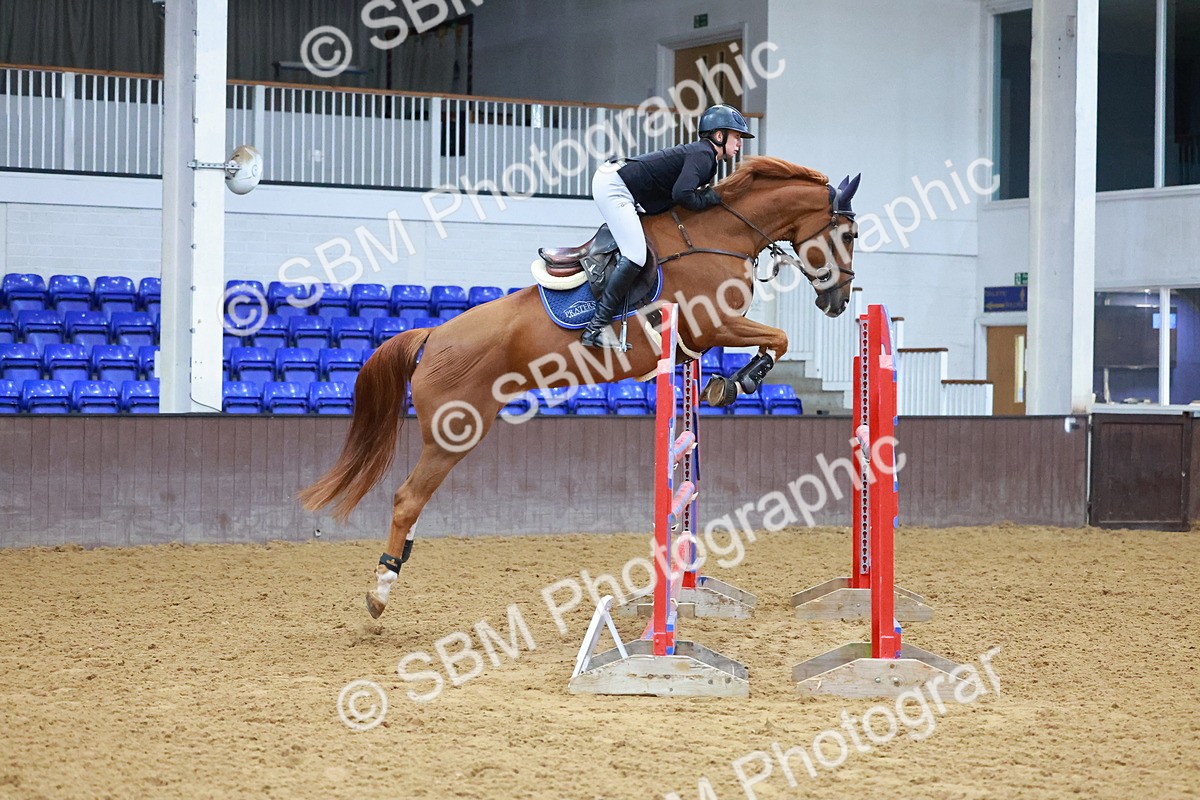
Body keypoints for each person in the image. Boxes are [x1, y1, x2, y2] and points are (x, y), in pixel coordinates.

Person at [580, 104, 754, 349]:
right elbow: (683, 194)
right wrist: (712, 198)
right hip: (614, 187)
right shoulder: (703, 156)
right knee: (635, 255)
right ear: (718, 135)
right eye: (736, 136)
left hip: (621, 183)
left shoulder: (705, 157)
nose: (739, 143)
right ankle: (595, 327)